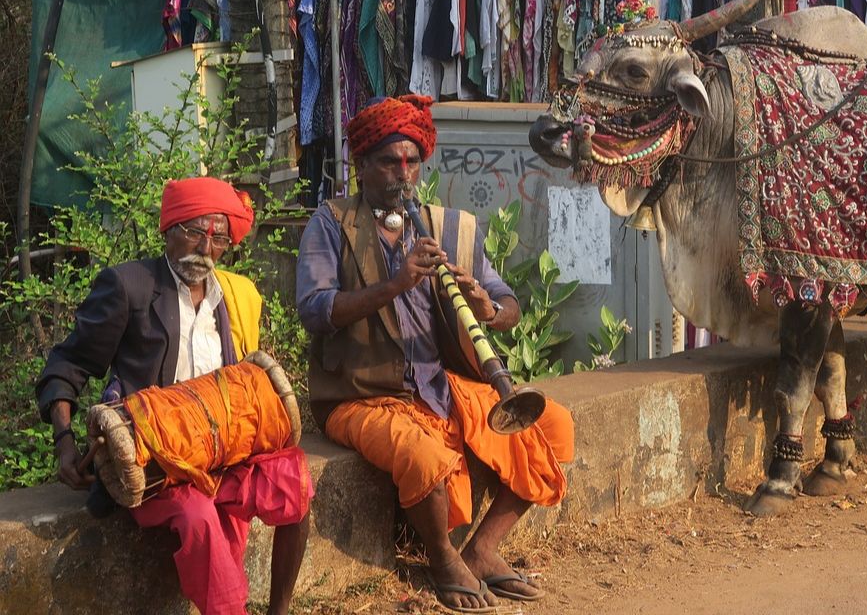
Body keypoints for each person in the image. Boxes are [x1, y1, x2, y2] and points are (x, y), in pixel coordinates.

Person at [297, 95, 574, 614]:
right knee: (424, 455)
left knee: (552, 427)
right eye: (388, 161)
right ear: (361, 167)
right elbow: (314, 310)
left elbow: (509, 304)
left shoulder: (450, 227)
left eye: (412, 161)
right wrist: (395, 284)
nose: (403, 173)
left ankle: (484, 551)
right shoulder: (331, 223)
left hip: (437, 384)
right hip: (359, 394)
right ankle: (444, 560)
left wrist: (485, 307)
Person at [35, 176, 313, 615]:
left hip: (221, 452)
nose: (206, 247)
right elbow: (68, 365)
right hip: (154, 461)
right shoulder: (129, 286)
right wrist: (65, 442)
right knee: (198, 517)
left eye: (218, 236)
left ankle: (279, 609)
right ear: (169, 229)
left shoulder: (232, 297)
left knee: (293, 479)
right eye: (194, 231)